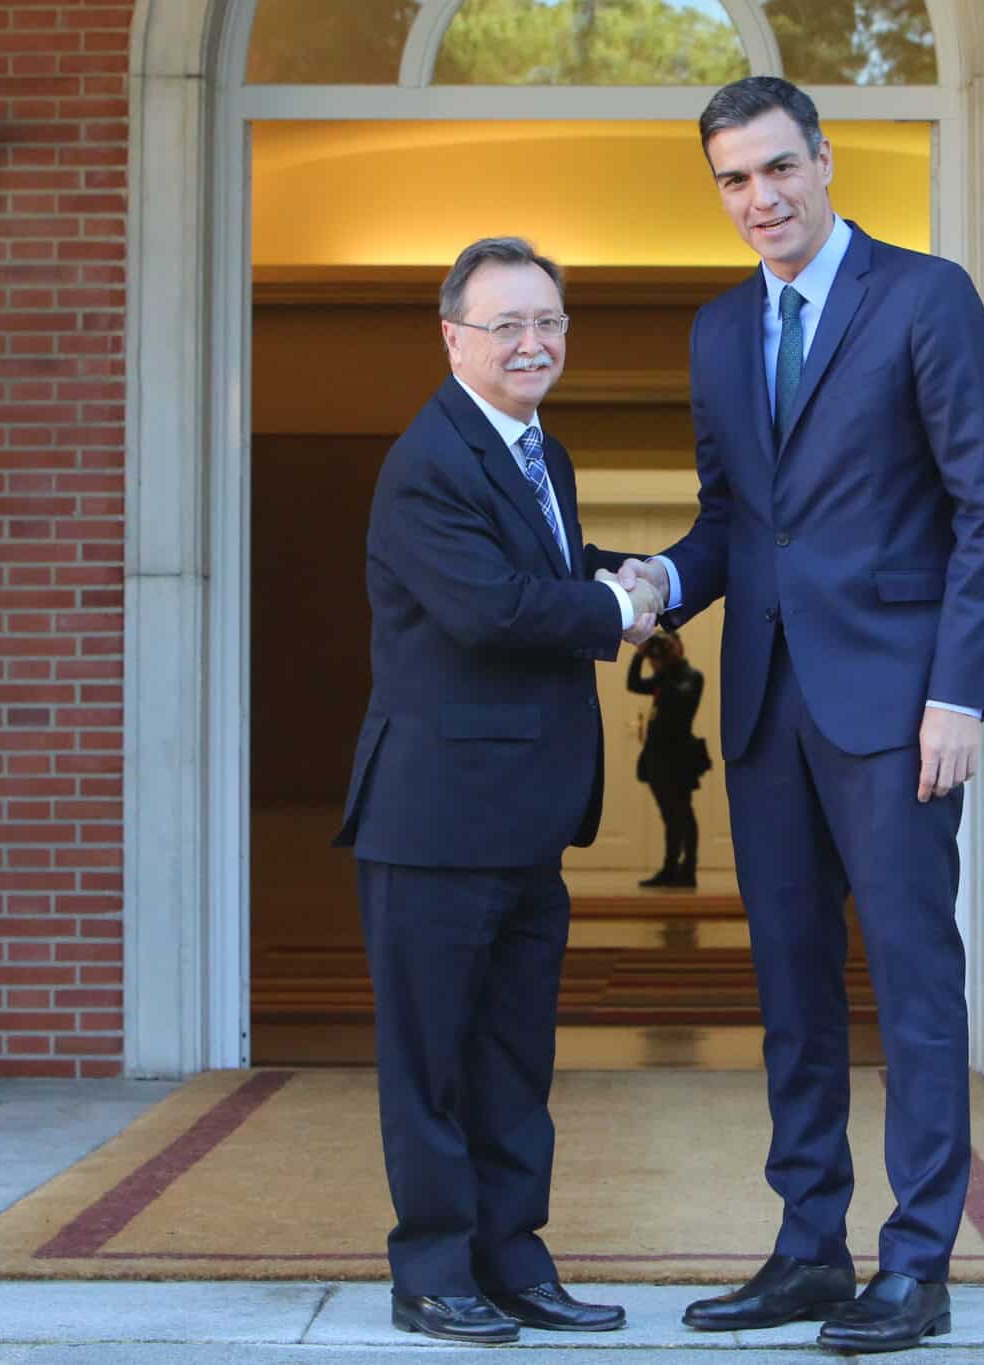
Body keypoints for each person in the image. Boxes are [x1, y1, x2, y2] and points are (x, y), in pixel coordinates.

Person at [618, 77, 984, 1353]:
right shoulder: (716, 333)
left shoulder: (924, 297)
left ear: (824, 161)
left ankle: (917, 1263)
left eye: (778, 169)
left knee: (910, 982)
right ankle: (806, 1252)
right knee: (790, 991)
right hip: (764, 711)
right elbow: (737, 522)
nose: (761, 199)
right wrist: (659, 584)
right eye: (734, 180)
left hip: (900, 707)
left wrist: (957, 691)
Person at [334, 236, 662, 1345]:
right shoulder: (428, 461)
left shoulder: (538, 453)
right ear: (452, 338)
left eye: (549, 322)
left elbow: (548, 573)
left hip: (522, 819)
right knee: (429, 1067)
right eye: (506, 324)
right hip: (431, 820)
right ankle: (431, 1273)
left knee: (513, 1062)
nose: (533, 342)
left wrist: (647, 575)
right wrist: (620, 611)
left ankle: (513, 1263)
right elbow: (495, 610)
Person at [625, 630, 708, 888]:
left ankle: (688, 868)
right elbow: (634, 684)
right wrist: (640, 656)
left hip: (680, 756)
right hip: (658, 756)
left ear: (680, 646)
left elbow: (679, 696)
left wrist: (664, 665)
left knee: (683, 813)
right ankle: (670, 869)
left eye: (670, 643)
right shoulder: (663, 676)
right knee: (669, 815)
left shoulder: (692, 677)